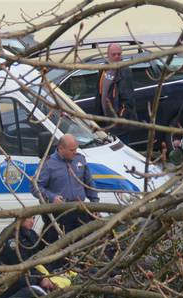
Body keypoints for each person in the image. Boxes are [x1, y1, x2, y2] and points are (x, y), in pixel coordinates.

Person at [32, 134, 99, 268]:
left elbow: (89, 184)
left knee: (84, 244)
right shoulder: (48, 164)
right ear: (61, 149)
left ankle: (82, 270)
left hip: (79, 210)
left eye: (76, 149)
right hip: (59, 214)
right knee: (59, 249)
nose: (75, 153)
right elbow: (35, 187)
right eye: (72, 150)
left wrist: (95, 204)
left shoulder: (80, 160)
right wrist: (52, 197)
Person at [94, 43, 137, 143]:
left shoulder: (125, 71)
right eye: (114, 54)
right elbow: (99, 94)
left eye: (119, 54)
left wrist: (119, 118)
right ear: (108, 55)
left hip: (119, 124)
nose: (117, 56)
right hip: (105, 122)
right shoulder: (103, 70)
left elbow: (128, 100)